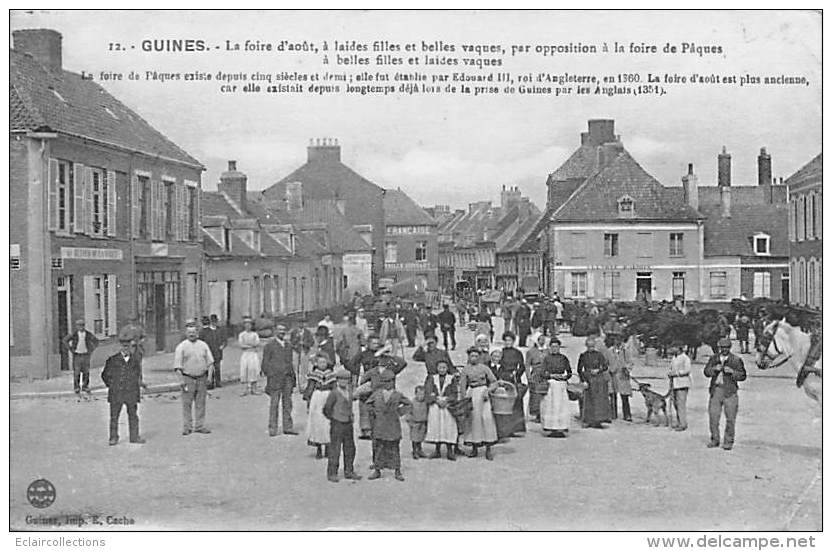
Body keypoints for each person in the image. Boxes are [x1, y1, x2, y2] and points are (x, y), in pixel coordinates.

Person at [365, 370, 411, 481]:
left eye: (390, 381)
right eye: (385, 381)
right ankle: (377, 470)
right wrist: (374, 413)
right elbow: (368, 404)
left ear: (394, 382)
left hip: (392, 425)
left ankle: (397, 470)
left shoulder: (397, 394)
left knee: (394, 448)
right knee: (379, 448)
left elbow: (409, 404)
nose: (388, 384)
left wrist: (399, 412)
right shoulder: (377, 394)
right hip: (380, 425)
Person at [357, 344, 407, 442]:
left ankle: (387, 434)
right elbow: (363, 381)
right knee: (376, 416)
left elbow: (403, 363)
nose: (382, 363)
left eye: (384, 360)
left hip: (389, 395)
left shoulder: (391, 370)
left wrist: (391, 356)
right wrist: (369, 389)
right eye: (380, 361)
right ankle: (373, 433)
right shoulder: (372, 372)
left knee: (389, 416)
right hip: (377, 396)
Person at [101, 336, 146, 445]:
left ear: (131, 347)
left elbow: (137, 375)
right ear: (120, 347)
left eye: (128, 346)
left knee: (133, 415)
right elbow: (104, 375)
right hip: (117, 393)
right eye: (123, 346)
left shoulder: (135, 360)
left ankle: (134, 437)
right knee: (114, 416)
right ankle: (113, 437)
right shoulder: (112, 360)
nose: (126, 348)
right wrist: (112, 386)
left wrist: (137, 387)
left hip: (131, 393)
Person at [704, 338, 747, 450]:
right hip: (716, 390)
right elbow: (706, 372)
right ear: (719, 348)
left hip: (730, 391)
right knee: (713, 417)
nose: (724, 350)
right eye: (722, 348)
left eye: (726, 347)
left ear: (730, 348)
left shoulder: (736, 360)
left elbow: (743, 376)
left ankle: (728, 441)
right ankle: (715, 439)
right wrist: (714, 369)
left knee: (730, 418)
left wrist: (732, 372)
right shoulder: (714, 358)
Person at [174, 323, 214, 436]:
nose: (192, 334)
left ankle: (199, 426)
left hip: (202, 378)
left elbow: (210, 363)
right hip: (188, 378)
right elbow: (177, 367)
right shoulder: (181, 347)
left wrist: (210, 377)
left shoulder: (203, 345)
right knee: (187, 404)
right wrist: (181, 380)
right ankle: (187, 427)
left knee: (201, 403)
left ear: (197, 333)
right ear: (186, 333)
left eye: (194, 332)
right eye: (189, 332)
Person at [322, 368, 362, 483]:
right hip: (337, 424)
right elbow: (326, 409)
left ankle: (349, 471)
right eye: (341, 379)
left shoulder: (349, 391)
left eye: (346, 380)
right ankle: (332, 473)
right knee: (335, 449)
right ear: (337, 380)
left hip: (348, 423)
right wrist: (334, 418)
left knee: (350, 448)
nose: (344, 382)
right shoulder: (334, 393)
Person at [458, 348, 499, 460]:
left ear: (479, 357)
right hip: (471, 393)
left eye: (476, 356)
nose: (474, 358)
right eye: (472, 356)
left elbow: (495, 382)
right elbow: (462, 386)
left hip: (483, 394)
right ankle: (474, 448)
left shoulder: (485, 368)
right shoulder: (465, 370)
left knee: (486, 419)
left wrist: (488, 390)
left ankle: (488, 449)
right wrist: (464, 400)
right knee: (473, 421)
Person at [261, 324, 298, 437]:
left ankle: (288, 427)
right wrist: (271, 374)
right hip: (275, 379)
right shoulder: (269, 345)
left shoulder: (288, 345)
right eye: (279, 330)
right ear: (275, 331)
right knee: (274, 404)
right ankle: (273, 428)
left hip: (287, 378)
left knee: (288, 403)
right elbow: (265, 363)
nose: (282, 332)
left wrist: (292, 377)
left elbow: (290, 362)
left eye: (283, 330)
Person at [424, 360, 459, 460]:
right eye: (440, 367)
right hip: (435, 405)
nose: (442, 370)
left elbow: (454, 392)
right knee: (436, 426)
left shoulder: (451, 378)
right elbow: (428, 390)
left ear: (447, 368)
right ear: (437, 368)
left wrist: (447, 399)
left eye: (444, 367)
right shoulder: (432, 378)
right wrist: (435, 399)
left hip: (447, 405)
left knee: (448, 427)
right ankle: (437, 450)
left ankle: (450, 451)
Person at [494, 332, 527, 437]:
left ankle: (516, 428)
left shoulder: (518, 353)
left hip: (514, 379)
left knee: (516, 403)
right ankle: (504, 429)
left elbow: (522, 366)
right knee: (503, 403)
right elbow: (497, 364)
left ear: (513, 341)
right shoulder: (501, 352)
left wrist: (517, 374)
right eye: (506, 340)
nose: (508, 342)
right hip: (503, 379)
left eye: (510, 340)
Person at [303, 353, 335, 459]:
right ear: (316, 363)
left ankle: (328, 448)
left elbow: (334, 388)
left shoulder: (331, 374)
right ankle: (318, 449)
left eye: (324, 362)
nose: (323, 364)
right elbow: (310, 388)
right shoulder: (313, 375)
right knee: (317, 423)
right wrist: (308, 400)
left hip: (327, 397)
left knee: (327, 424)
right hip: (317, 399)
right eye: (320, 362)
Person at [539, 338, 572, 437]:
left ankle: (561, 427)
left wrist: (564, 377)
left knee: (561, 406)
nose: (554, 349)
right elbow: (542, 373)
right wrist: (551, 376)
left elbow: (569, 372)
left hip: (561, 385)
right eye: (552, 347)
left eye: (556, 347)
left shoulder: (564, 358)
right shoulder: (547, 358)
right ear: (550, 347)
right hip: (551, 385)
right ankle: (551, 427)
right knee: (551, 406)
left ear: (559, 347)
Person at [577, 335, 611, 429]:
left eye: (592, 346)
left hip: (599, 380)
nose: (590, 348)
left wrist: (598, 370)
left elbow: (605, 366)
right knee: (588, 401)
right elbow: (579, 369)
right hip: (588, 378)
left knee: (599, 401)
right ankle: (588, 420)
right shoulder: (583, 356)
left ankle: (599, 420)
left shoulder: (599, 355)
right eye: (589, 346)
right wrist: (583, 380)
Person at [63, 319, 99, 394]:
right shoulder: (74, 334)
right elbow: (65, 340)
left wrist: (91, 349)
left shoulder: (88, 334)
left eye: (82, 325)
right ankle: (76, 387)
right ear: (76, 326)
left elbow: (96, 341)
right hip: (77, 355)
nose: (81, 327)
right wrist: (71, 349)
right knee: (77, 372)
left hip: (86, 355)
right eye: (79, 325)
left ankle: (85, 386)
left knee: (86, 372)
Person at [604, 335, 633, 422]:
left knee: (624, 396)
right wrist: (610, 369)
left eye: (619, 340)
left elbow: (630, 362)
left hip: (622, 375)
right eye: (616, 340)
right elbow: (605, 364)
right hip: (613, 375)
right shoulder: (609, 351)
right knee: (613, 395)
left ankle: (627, 415)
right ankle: (613, 414)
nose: (618, 342)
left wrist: (627, 369)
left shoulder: (625, 351)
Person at [668, 343, 692, 431]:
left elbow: (687, 370)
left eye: (674, 347)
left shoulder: (685, 358)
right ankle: (679, 422)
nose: (672, 349)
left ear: (679, 348)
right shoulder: (674, 357)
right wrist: (670, 373)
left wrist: (677, 373)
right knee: (675, 404)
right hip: (674, 383)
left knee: (681, 404)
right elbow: (671, 368)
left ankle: (683, 424)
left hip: (682, 383)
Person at [525, 332, 547, 422]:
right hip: (536, 374)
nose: (542, 340)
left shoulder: (547, 350)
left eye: (543, 339)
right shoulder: (530, 352)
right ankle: (536, 413)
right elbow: (527, 365)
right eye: (540, 339)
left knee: (545, 394)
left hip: (545, 374)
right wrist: (528, 376)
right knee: (535, 394)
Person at [200, 316, 225, 389]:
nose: (214, 323)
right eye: (212, 321)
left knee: (217, 368)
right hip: (209, 352)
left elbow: (222, 340)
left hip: (216, 352)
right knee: (209, 368)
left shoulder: (217, 330)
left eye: (215, 321)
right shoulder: (204, 331)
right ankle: (210, 383)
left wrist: (221, 346)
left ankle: (217, 382)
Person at [238, 317, 261, 396]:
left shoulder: (254, 334)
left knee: (254, 370)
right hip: (245, 354)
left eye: (249, 325)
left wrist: (249, 345)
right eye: (246, 325)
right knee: (244, 370)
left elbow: (257, 343)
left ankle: (254, 389)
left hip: (253, 354)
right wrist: (251, 345)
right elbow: (241, 345)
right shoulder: (242, 335)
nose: (248, 326)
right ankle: (244, 389)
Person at [406, 385, 429, 459]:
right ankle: (414, 451)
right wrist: (409, 421)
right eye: (419, 394)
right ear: (415, 394)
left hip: (423, 422)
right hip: (415, 422)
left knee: (421, 437)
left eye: (423, 394)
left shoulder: (425, 403)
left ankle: (420, 450)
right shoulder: (412, 402)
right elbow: (408, 412)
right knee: (415, 438)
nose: (421, 396)